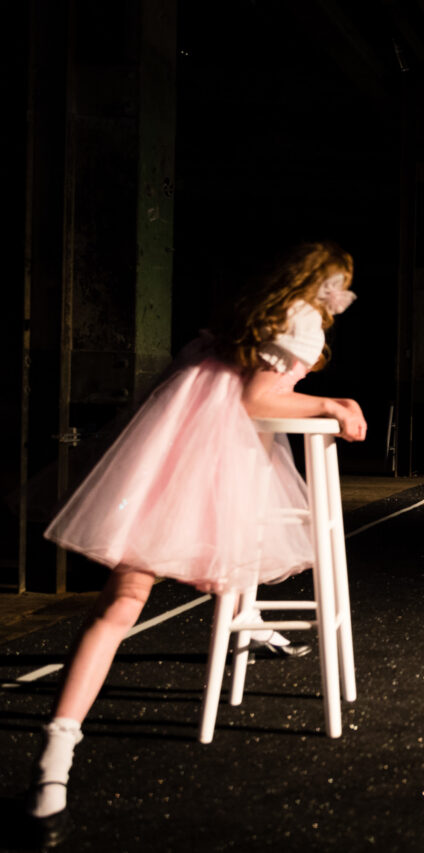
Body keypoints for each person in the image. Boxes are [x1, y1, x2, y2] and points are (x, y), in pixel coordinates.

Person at [27, 241, 368, 844]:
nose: (342, 297)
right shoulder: (302, 320)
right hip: (208, 465)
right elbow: (258, 399)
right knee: (157, 581)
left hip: (168, 456)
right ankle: (56, 758)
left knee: (122, 602)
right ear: (318, 282)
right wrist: (334, 402)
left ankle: (55, 761)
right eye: (337, 284)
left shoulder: (252, 314)